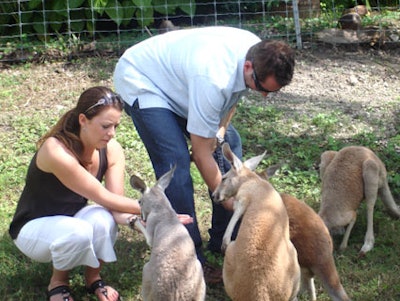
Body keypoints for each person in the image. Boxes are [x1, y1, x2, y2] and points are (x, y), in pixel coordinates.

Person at [113, 26, 295, 283]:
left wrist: (219, 134)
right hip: (144, 79)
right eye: (262, 88)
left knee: (230, 142)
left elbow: (229, 106)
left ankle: (226, 237)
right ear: (247, 67)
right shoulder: (213, 78)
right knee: (174, 163)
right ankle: (189, 255)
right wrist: (230, 201)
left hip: (182, 83)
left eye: (271, 92)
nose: (264, 95)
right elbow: (200, 154)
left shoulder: (259, 52)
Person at [9, 86, 141, 301]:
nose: (112, 133)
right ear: (83, 120)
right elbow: (103, 196)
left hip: (70, 221)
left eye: (116, 126)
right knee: (78, 232)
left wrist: (146, 221)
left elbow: (115, 207)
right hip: (32, 229)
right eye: (105, 126)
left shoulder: (112, 149)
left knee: (103, 219)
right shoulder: (56, 150)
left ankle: (93, 278)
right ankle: (58, 282)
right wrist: (158, 208)